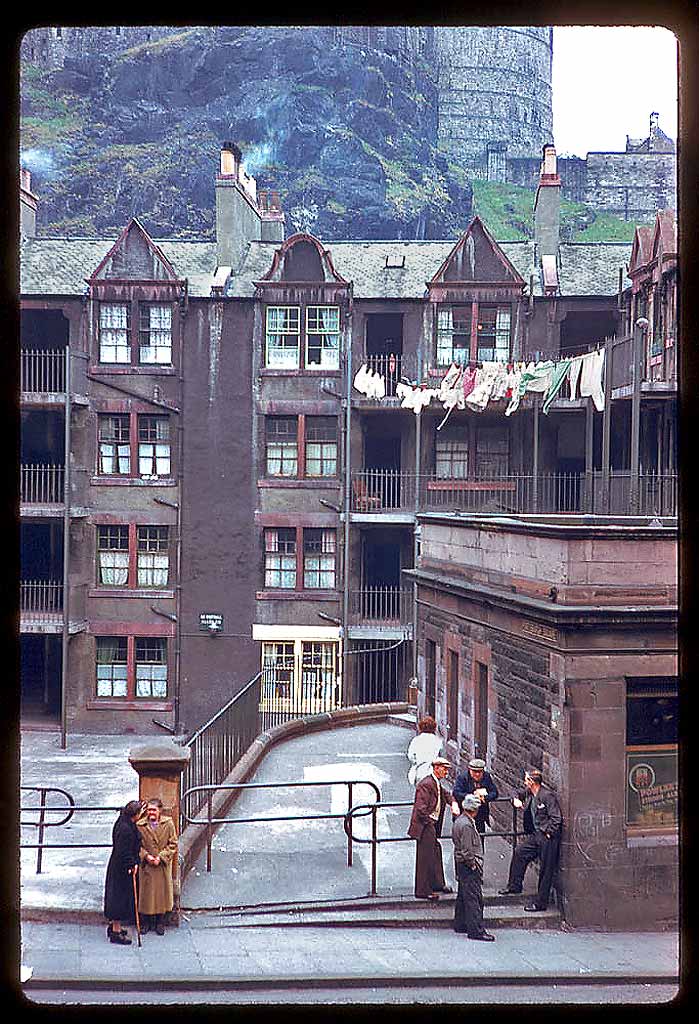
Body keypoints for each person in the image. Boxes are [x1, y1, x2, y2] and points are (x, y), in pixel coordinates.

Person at [499, 768, 563, 911]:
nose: (524, 782)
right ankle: (514, 886)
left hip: (547, 837)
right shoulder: (531, 792)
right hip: (536, 835)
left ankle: (541, 903)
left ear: (532, 782)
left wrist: (548, 832)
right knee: (520, 852)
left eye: (526, 780)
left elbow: (556, 818)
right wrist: (515, 799)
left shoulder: (547, 796)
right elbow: (515, 792)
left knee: (546, 869)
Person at [407, 756, 454, 900]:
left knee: (435, 851)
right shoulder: (426, 784)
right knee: (425, 857)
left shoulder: (435, 783)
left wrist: (454, 803)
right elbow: (421, 809)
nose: (446, 772)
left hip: (429, 824)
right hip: (425, 825)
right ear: (436, 768)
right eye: (444, 769)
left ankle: (437, 884)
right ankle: (423, 890)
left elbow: (446, 795)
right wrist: (430, 822)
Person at [452, 794, 495, 941]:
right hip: (468, 865)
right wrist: (473, 865)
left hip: (461, 864)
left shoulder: (460, 821)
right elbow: (467, 851)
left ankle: (460, 923)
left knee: (463, 896)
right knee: (474, 898)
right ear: (474, 810)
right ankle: (476, 930)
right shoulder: (467, 825)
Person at [103, 799, 144, 945]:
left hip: (118, 865)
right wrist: (132, 864)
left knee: (118, 897)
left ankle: (115, 927)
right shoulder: (126, 830)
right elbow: (124, 851)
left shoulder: (124, 822)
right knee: (118, 899)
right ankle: (115, 931)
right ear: (136, 814)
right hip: (122, 868)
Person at [137, 797, 178, 935]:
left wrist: (161, 857)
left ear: (160, 810)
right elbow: (137, 845)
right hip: (147, 866)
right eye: (149, 810)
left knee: (161, 894)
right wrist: (146, 856)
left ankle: (160, 922)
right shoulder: (140, 825)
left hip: (161, 866)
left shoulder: (168, 823)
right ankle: (147, 922)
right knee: (147, 895)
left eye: (154, 810)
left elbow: (173, 843)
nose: (151, 813)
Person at [451, 757, 499, 835]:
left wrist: (485, 798)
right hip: (465, 813)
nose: (477, 774)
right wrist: (472, 796)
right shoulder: (462, 778)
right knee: (465, 838)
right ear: (469, 770)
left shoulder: (486, 777)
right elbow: (456, 793)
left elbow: (494, 792)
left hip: (480, 814)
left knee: (480, 837)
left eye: (480, 772)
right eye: (475, 771)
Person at [406, 715, 443, 786]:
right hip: (433, 771)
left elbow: (410, 756)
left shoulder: (416, 740)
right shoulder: (438, 741)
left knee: (420, 793)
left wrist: (416, 761)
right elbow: (440, 756)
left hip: (420, 770)